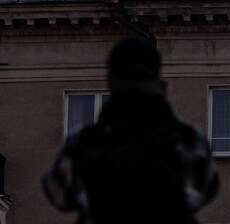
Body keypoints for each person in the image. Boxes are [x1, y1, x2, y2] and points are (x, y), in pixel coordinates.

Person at [42, 37, 219, 224]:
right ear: (161, 84)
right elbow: (206, 189)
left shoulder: (83, 143)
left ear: (110, 82)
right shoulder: (188, 140)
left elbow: (58, 194)